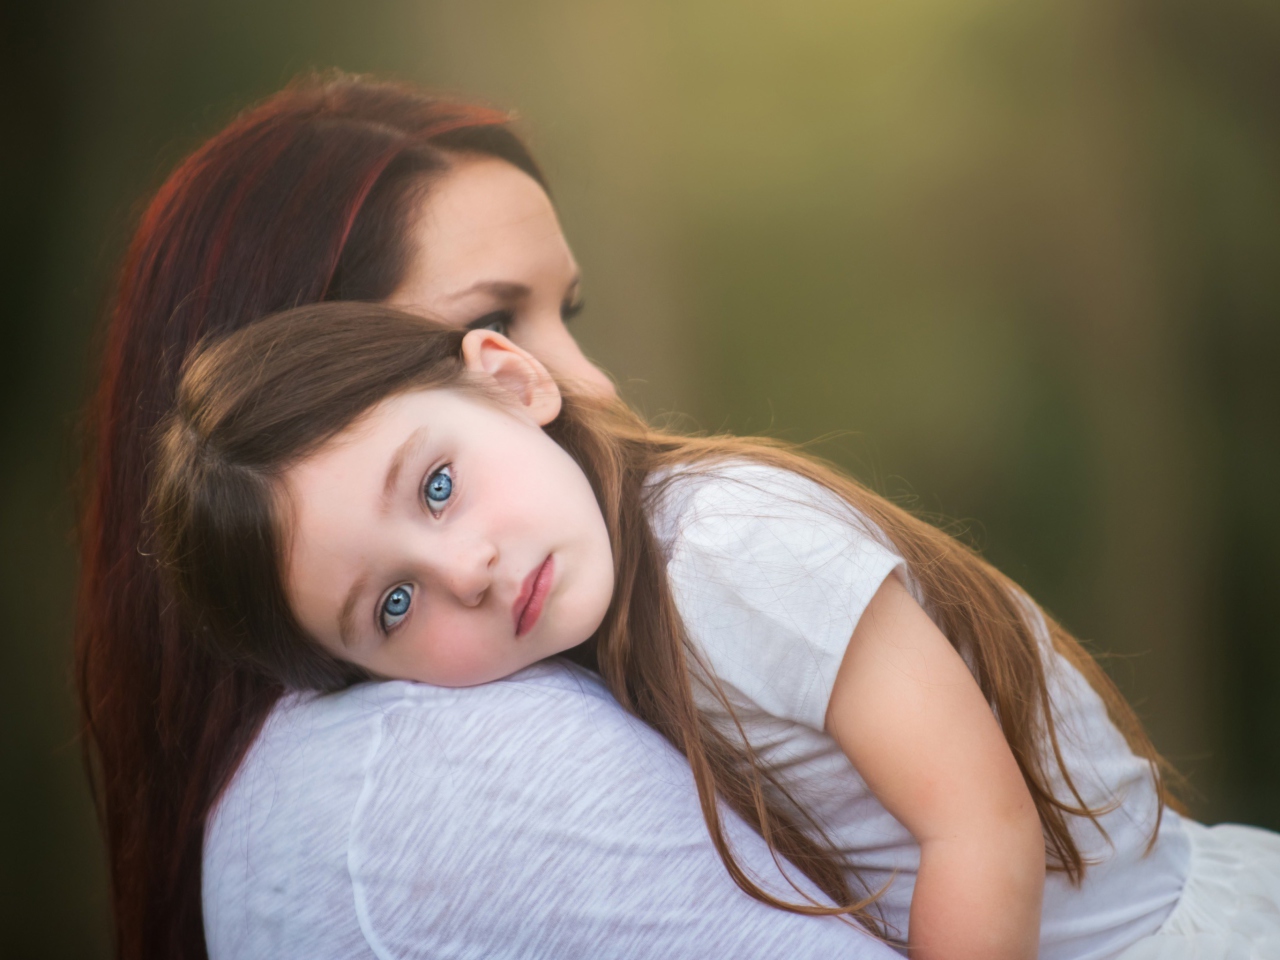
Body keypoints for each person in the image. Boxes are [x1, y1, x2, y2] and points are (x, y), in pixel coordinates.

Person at [152, 302, 1280, 960]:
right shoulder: (590, 615)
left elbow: (978, 829)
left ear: (508, 379)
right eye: (392, 607)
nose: (468, 571)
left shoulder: (726, 552)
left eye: (437, 485)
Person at [77, 72, 896, 960]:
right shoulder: (458, 760)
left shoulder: (709, 561)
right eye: (497, 313)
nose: (593, 387)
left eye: (562, 311)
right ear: (302, 373)